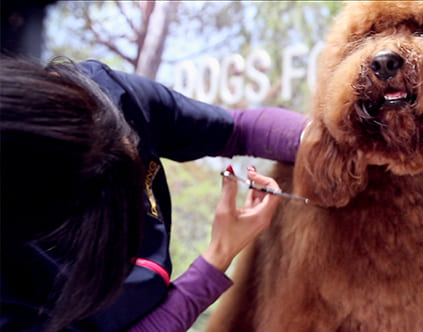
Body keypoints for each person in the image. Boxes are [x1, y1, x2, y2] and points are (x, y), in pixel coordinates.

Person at [0, 56, 307, 332]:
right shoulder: (15, 293)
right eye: (114, 169)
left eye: (121, 131)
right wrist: (218, 256)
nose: (132, 144)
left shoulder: (106, 90)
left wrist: (323, 145)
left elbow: (238, 129)